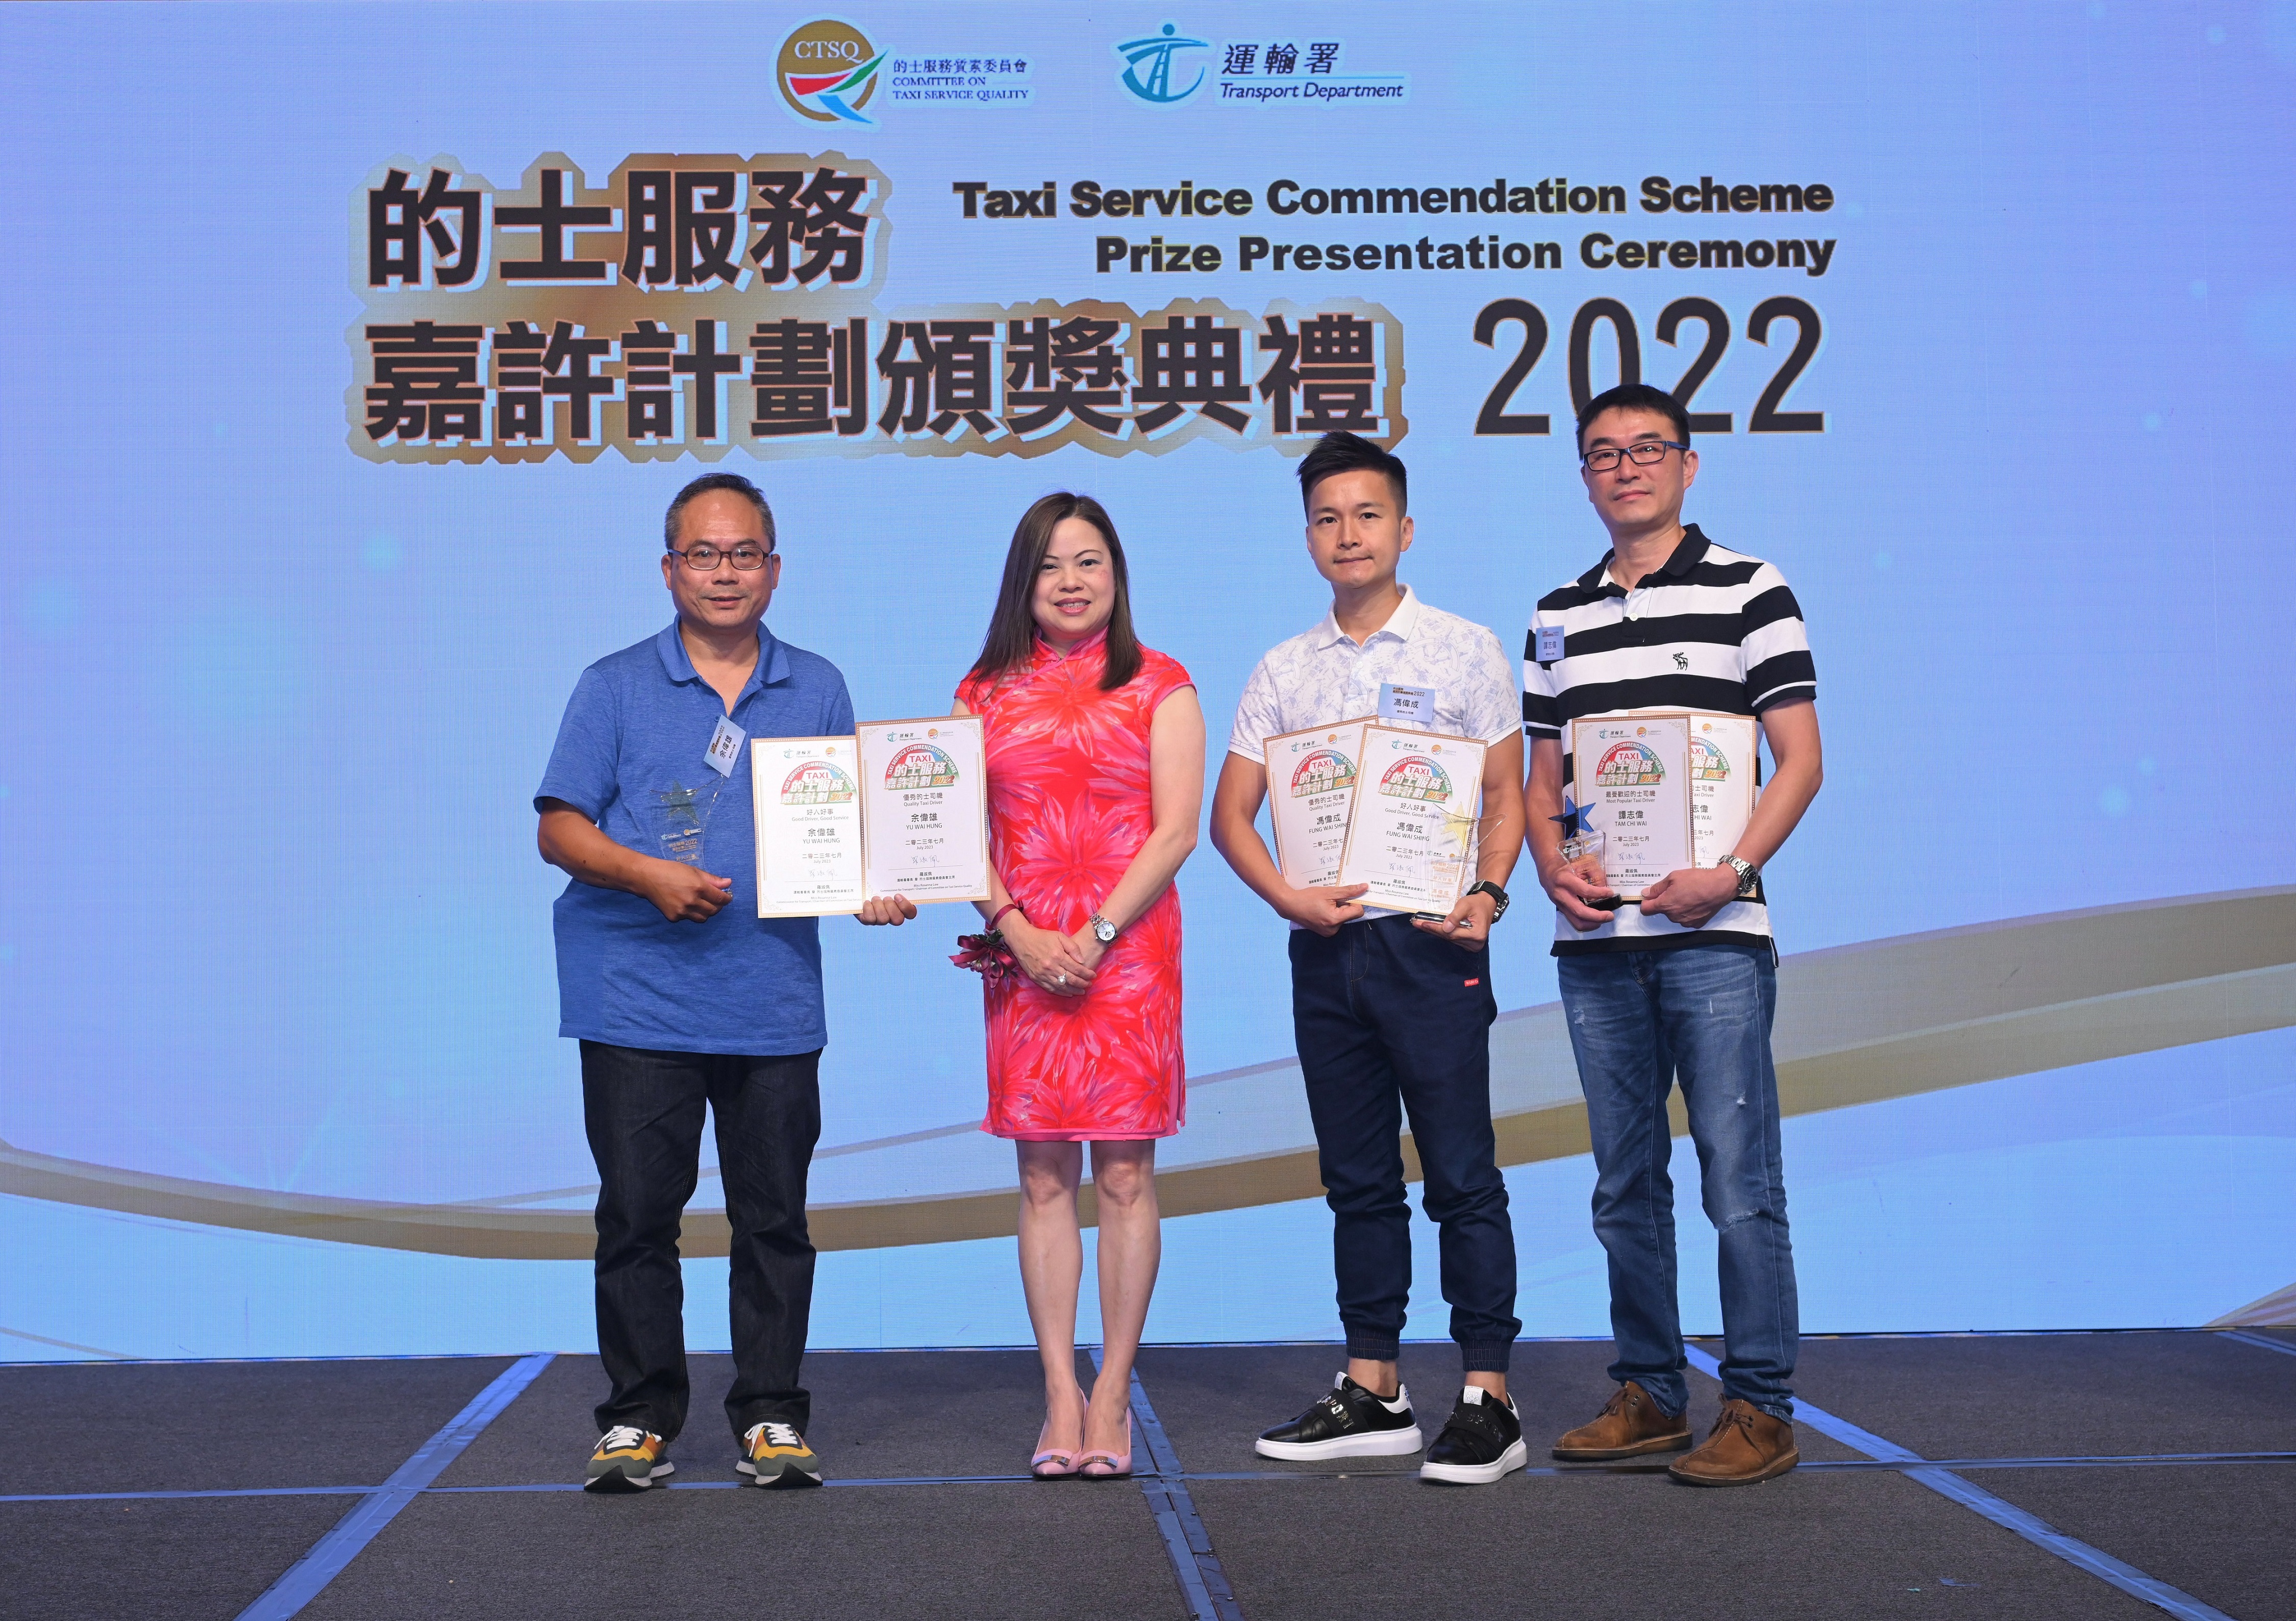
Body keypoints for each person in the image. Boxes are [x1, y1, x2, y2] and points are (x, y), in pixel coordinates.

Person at [535, 472, 914, 1493]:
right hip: (636, 999)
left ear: (774, 569)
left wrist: (876, 887)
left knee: (775, 1220)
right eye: (703, 554)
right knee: (637, 1218)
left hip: (771, 998)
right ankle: (639, 1417)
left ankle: (772, 1414)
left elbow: (840, 830)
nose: (724, 572)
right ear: (669, 570)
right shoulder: (613, 684)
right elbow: (557, 826)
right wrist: (645, 871)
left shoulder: (819, 684)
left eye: (744, 553)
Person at [1208, 431, 1530, 1486]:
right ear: (1307, 534)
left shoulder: (1465, 648)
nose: (1349, 534)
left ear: (1405, 528)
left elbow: (1503, 794)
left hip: (1434, 945)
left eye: (1367, 514)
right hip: (1328, 949)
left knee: (1463, 1175)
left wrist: (1487, 894)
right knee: (1355, 1179)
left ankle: (1489, 1394)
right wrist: (1286, 896)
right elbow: (1232, 816)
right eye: (1327, 517)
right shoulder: (1283, 668)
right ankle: (1375, 1386)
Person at [1523, 381, 1824, 1486]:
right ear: (1586, 474)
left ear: (1688, 465)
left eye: (1648, 448)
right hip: (1600, 940)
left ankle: (1760, 1405)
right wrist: (1554, 863)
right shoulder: (1558, 610)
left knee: (1739, 1177)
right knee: (1622, 1178)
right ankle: (1650, 1389)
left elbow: (1800, 758)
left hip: (1718, 931)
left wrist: (1733, 871)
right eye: (1604, 453)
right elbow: (1544, 769)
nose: (1627, 467)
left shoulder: (1753, 586)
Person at [950, 492, 1204, 1480]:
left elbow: (1175, 830)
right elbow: (951, 831)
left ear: (1117, 576)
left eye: (1090, 562)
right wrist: (1017, 928)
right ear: (1025, 579)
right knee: (1044, 1176)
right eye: (1052, 564)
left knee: (1128, 1175)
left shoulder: (1159, 681)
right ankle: (1060, 1386)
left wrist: (1095, 934)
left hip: (1126, 956)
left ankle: (1114, 1391)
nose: (1071, 581)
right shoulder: (981, 692)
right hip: (1022, 953)